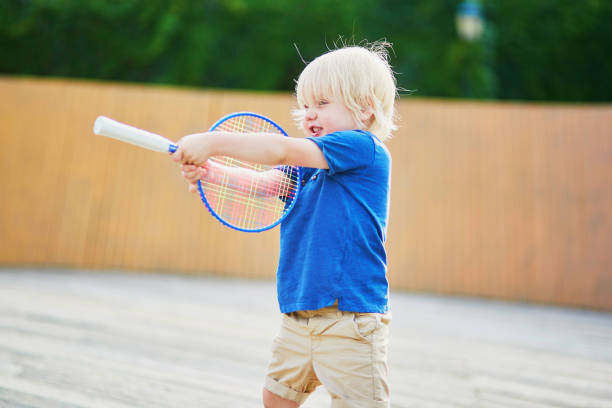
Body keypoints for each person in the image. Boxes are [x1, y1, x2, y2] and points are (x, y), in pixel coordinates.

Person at [172, 41, 398, 408]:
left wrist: (210, 143)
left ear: (366, 109)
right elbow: (262, 185)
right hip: (300, 312)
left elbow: (280, 149)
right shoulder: (306, 164)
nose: (309, 114)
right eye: (305, 105)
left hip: (350, 320)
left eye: (323, 103)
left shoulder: (363, 149)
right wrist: (209, 172)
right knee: (276, 397)